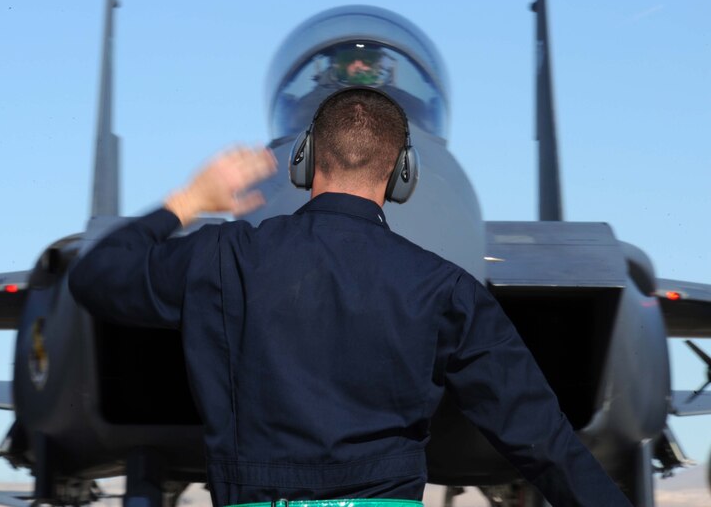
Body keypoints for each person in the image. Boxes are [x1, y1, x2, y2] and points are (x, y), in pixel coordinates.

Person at [68, 88, 632, 507]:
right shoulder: (445, 290)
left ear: (305, 159)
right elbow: (542, 440)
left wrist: (189, 200)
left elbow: (96, 275)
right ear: (403, 173)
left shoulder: (225, 257)